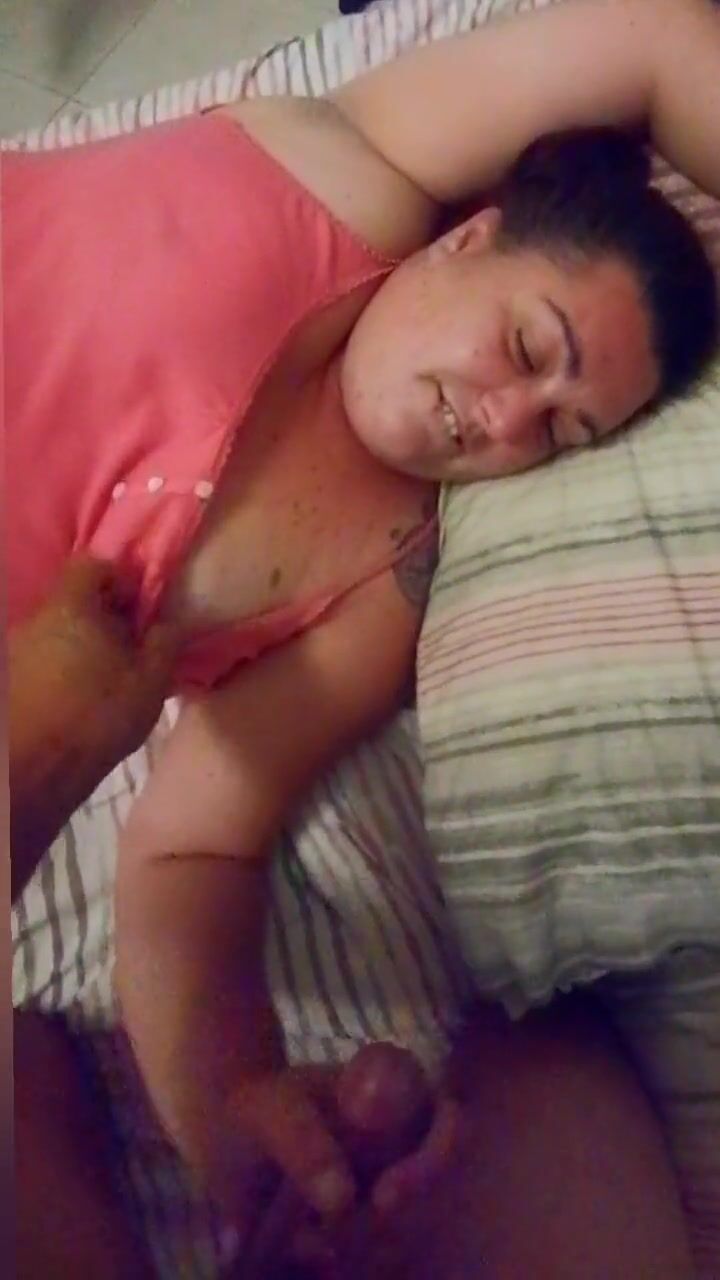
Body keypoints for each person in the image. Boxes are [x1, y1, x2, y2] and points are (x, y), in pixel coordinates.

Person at [7, 0, 720, 1274]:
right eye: (527, 346)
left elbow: (195, 844)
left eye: (559, 432)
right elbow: (659, 37)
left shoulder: (386, 576)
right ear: (471, 239)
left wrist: (234, 1108)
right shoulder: (348, 176)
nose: (504, 419)